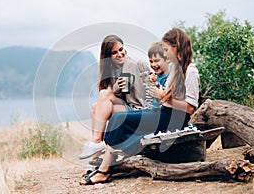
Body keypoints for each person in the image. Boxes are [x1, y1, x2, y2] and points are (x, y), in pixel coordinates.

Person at [79, 28, 200, 185]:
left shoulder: (190, 71)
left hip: (174, 119)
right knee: (118, 117)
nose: (165, 53)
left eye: (166, 49)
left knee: (122, 119)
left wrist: (162, 96)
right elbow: (165, 94)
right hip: (163, 113)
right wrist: (160, 92)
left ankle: (103, 170)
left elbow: (190, 108)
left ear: (177, 47)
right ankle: (103, 166)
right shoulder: (176, 69)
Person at [79, 34, 150, 159]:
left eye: (121, 49)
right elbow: (117, 97)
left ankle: (95, 142)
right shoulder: (111, 71)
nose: (120, 54)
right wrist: (117, 87)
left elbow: (153, 86)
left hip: (140, 110)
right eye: (114, 52)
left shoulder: (138, 64)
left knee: (104, 93)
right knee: (95, 107)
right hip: (126, 108)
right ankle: (96, 153)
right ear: (108, 56)